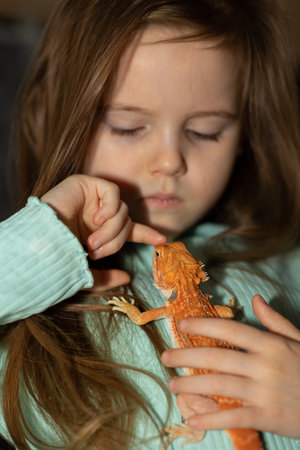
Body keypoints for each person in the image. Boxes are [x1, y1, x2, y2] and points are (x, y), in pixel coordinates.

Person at [0, 0, 300, 449]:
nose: (168, 162)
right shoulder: (27, 307)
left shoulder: (283, 265)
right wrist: (48, 239)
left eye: (205, 131)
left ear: (245, 137)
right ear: (57, 116)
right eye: (126, 126)